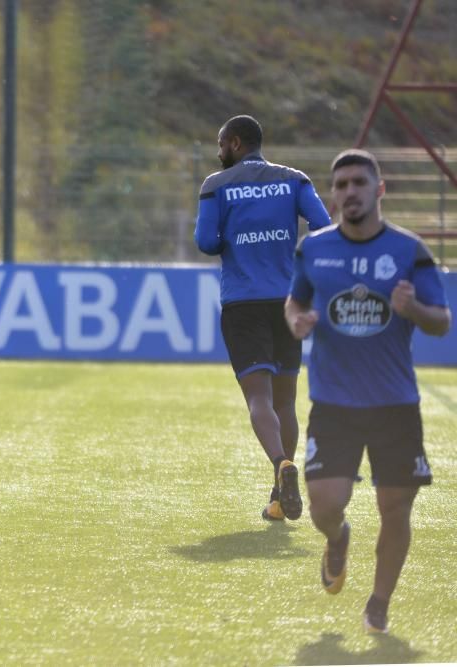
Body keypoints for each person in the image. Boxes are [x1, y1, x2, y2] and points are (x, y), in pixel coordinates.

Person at [286, 149, 450, 634]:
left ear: (379, 190)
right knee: (324, 506)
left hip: (395, 406)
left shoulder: (409, 251)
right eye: (340, 185)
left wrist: (413, 308)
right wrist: (298, 321)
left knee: (394, 508)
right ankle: (338, 539)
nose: (349, 192)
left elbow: (441, 322)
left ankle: (379, 602)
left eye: (359, 182)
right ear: (332, 195)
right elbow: (295, 301)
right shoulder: (312, 249)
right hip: (334, 404)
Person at [195, 115, 332, 521]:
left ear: (235, 143)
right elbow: (323, 227)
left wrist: (232, 239)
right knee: (286, 401)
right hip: (288, 300)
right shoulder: (294, 179)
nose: (218, 152)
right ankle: (278, 493)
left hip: (243, 302)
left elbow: (205, 243)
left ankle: (280, 465)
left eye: (221, 144)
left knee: (259, 398)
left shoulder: (215, 185)